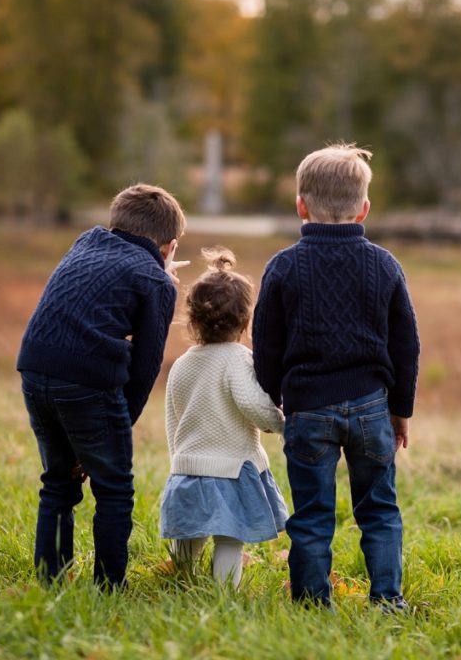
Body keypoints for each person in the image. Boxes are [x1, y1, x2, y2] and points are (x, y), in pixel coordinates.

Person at [252, 144, 420, 611]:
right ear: (365, 207)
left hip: (308, 408)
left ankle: (311, 604)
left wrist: (275, 397)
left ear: (300, 206)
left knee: (311, 517)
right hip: (371, 406)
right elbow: (406, 345)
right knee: (380, 510)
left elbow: (265, 345)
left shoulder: (283, 266)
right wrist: (400, 410)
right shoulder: (384, 264)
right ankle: (388, 600)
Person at [16, 183, 188, 589]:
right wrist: (115, 429)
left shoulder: (86, 241)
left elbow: (108, 279)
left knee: (58, 481)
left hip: (36, 366)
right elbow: (145, 368)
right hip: (88, 382)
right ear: (170, 246)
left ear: (116, 222)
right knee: (114, 489)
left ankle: (50, 581)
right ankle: (110, 587)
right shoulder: (157, 282)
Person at [160, 247, 288, 589]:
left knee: (190, 532)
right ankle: (222, 593)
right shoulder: (238, 359)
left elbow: (173, 417)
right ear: (245, 322)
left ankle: (182, 578)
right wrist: (280, 423)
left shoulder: (183, 363)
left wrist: (179, 460)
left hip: (189, 467)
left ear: (193, 320)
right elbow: (252, 403)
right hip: (230, 468)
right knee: (230, 537)